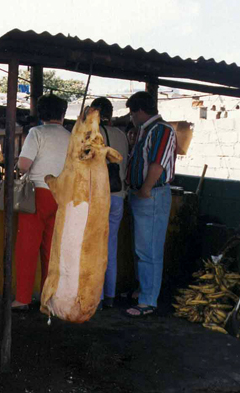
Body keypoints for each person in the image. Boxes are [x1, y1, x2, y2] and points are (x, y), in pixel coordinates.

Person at [12, 94, 70, 311]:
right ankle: (49, 300)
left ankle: (23, 299)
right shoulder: (70, 136)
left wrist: (19, 163)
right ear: (63, 114)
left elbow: (24, 165)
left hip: (37, 195)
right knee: (52, 251)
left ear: (41, 113)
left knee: (27, 249)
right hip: (61, 196)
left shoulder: (36, 133)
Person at [124, 91, 177, 317]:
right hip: (141, 194)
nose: (131, 117)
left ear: (140, 111)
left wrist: (145, 189)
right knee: (141, 248)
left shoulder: (162, 130)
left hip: (152, 194)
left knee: (149, 250)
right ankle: (143, 290)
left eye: (132, 112)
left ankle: (148, 301)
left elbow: (158, 164)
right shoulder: (145, 131)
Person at [89, 97, 129, 310]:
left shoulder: (92, 136)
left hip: (98, 196)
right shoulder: (121, 135)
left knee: (94, 247)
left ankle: (98, 296)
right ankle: (110, 295)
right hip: (118, 196)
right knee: (110, 245)